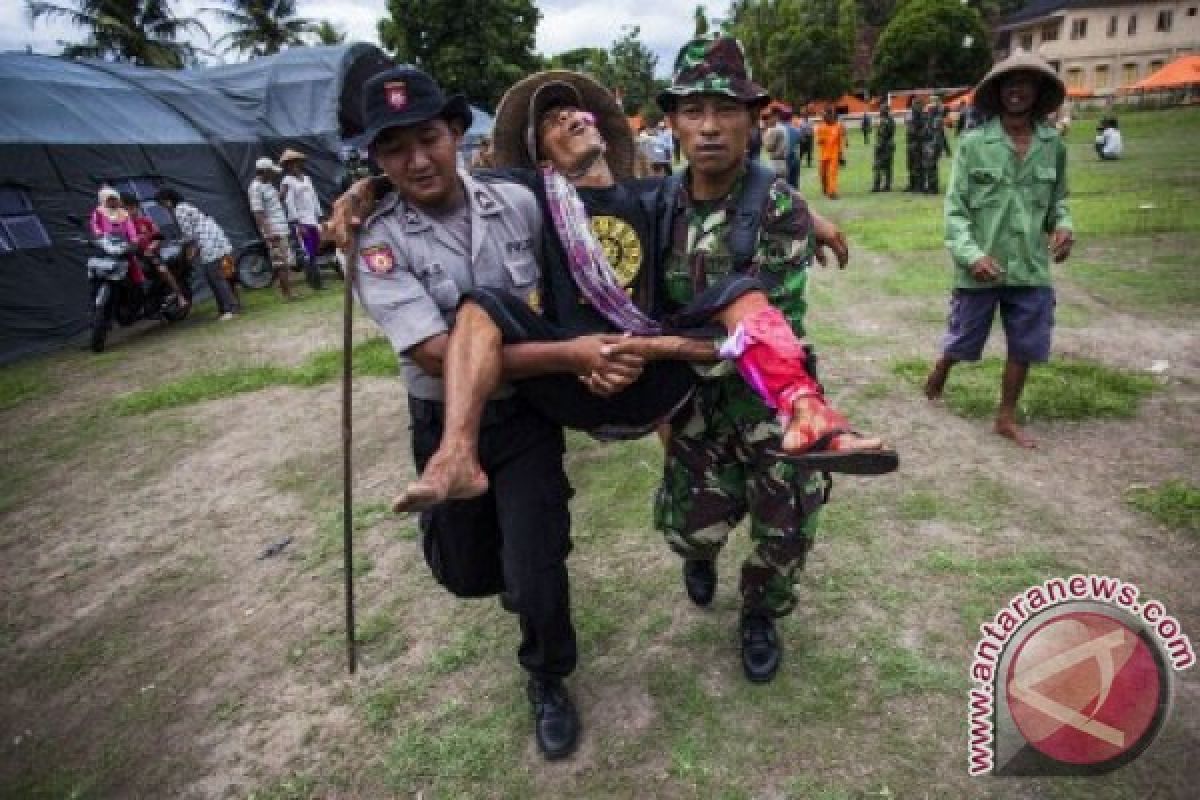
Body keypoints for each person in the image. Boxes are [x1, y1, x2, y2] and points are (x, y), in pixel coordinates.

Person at [349, 65, 640, 761]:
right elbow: (435, 355)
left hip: (526, 420)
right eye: (394, 150)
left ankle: (546, 675)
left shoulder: (521, 202)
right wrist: (570, 355)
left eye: (429, 137)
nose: (417, 160)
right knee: (471, 574)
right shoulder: (377, 241)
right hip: (443, 416)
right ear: (377, 162)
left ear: (456, 131)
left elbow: (616, 213)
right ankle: (466, 539)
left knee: (538, 568)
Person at [654, 33, 866, 684]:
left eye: (726, 110)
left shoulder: (777, 206)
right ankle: (701, 552)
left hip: (766, 393)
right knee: (688, 530)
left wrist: (660, 346)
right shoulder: (652, 207)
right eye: (694, 110)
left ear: (753, 117)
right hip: (689, 398)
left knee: (790, 521)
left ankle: (760, 613)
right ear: (673, 123)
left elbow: (760, 328)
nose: (710, 126)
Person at [924, 51, 1074, 449]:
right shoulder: (974, 144)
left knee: (1025, 343)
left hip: (1029, 267)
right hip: (979, 267)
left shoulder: (1053, 145)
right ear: (998, 92)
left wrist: (1063, 226)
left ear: (1038, 92)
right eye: (1010, 84)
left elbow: (1059, 201)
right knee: (965, 339)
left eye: (1026, 83)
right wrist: (972, 255)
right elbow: (955, 211)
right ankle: (944, 364)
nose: (1018, 91)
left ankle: (1005, 417)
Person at [155, 188, 240, 319]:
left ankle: (231, 309)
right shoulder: (185, 206)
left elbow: (190, 235)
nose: (163, 207)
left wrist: (189, 254)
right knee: (212, 277)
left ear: (168, 200)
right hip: (211, 239)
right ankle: (223, 309)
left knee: (217, 277)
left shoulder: (180, 210)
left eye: (162, 203)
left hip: (209, 241)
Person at [121, 192, 187, 306]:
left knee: (162, 270)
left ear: (136, 207)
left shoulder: (146, 221)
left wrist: (152, 246)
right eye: (124, 210)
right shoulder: (123, 226)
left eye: (129, 209)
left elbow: (158, 237)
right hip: (134, 256)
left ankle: (180, 295)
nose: (128, 212)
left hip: (151, 255)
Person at [248, 157, 295, 301]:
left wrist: (284, 191)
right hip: (274, 230)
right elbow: (258, 213)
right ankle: (287, 294)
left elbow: (276, 201)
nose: (274, 174)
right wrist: (269, 233)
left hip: (281, 226)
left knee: (286, 261)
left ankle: (288, 291)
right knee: (280, 263)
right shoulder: (255, 188)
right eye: (271, 171)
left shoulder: (268, 184)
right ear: (265, 171)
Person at [278, 149, 323, 277]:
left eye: (296, 163)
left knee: (315, 247)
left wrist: (319, 215)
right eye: (290, 164)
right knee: (308, 249)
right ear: (287, 166)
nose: (294, 166)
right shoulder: (287, 181)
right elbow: (289, 202)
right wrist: (298, 223)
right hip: (301, 220)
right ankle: (314, 278)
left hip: (312, 218)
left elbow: (314, 197)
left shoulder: (307, 178)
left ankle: (314, 274)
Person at [89, 186, 146, 287]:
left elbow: (133, 231)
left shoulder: (134, 219)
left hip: (129, 248)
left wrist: (134, 240)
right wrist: (98, 235)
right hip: (110, 247)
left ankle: (139, 284)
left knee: (133, 263)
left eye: (114, 199)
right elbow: (97, 227)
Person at [922, 95, 951, 194]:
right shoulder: (933, 118)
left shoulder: (936, 119)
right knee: (930, 167)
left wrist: (941, 148)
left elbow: (939, 135)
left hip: (933, 146)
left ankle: (933, 188)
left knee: (931, 167)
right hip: (931, 145)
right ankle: (931, 186)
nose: (928, 110)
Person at [814, 107, 845, 198]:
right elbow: (818, 141)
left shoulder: (838, 126)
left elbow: (840, 141)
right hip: (823, 155)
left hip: (834, 155)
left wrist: (841, 155)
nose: (825, 117)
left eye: (828, 115)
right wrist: (820, 140)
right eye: (825, 116)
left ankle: (832, 192)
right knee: (823, 175)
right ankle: (825, 188)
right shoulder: (821, 127)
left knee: (832, 173)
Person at [905, 96, 927, 192]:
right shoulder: (912, 115)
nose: (913, 106)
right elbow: (909, 127)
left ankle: (919, 185)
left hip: (918, 144)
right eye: (913, 104)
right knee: (910, 165)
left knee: (918, 165)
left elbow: (923, 131)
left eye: (916, 104)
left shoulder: (923, 117)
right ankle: (912, 184)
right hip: (911, 143)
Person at [872, 104, 895, 192]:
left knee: (877, 166)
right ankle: (887, 185)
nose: (880, 111)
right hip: (889, 145)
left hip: (883, 146)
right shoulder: (891, 120)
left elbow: (882, 135)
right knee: (888, 167)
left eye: (881, 110)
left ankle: (876, 186)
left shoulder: (884, 121)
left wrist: (878, 147)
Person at [763, 107, 790, 179]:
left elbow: (768, 147)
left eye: (769, 117)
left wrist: (765, 132)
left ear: (775, 116)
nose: (768, 120)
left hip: (775, 164)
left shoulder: (774, 129)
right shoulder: (783, 127)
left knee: (774, 188)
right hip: (782, 163)